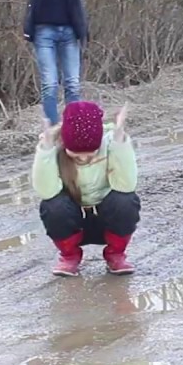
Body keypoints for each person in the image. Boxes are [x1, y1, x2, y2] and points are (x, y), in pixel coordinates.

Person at [31, 100, 140, 276]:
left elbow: (126, 186)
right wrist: (46, 151)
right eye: (75, 153)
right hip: (73, 222)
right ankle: (70, 256)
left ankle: (116, 254)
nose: (82, 158)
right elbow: (46, 192)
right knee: (52, 206)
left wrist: (120, 144)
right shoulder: (54, 148)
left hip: (106, 219)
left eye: (90, 153)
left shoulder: (111, 143)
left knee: (125, 201)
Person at [13, 0, 102, 127]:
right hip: (43, 31)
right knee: (50, 84)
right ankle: (53, 130)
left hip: (69, 31)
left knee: (72, 83)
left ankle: (75, 128)